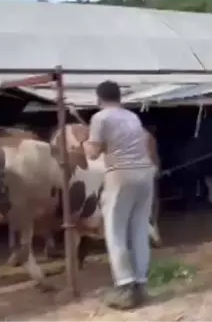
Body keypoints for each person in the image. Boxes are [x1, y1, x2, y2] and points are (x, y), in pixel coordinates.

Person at [82, 81, 156, 310]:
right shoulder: (132, 117)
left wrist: (85, 143)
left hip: (121, 175)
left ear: (99, 98)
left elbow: (93, 154)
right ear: (119, 96)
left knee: (115, 231)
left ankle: (125, 287)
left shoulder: (100, 118)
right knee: (140, 229)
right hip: (145, 174)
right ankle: (141, 285)